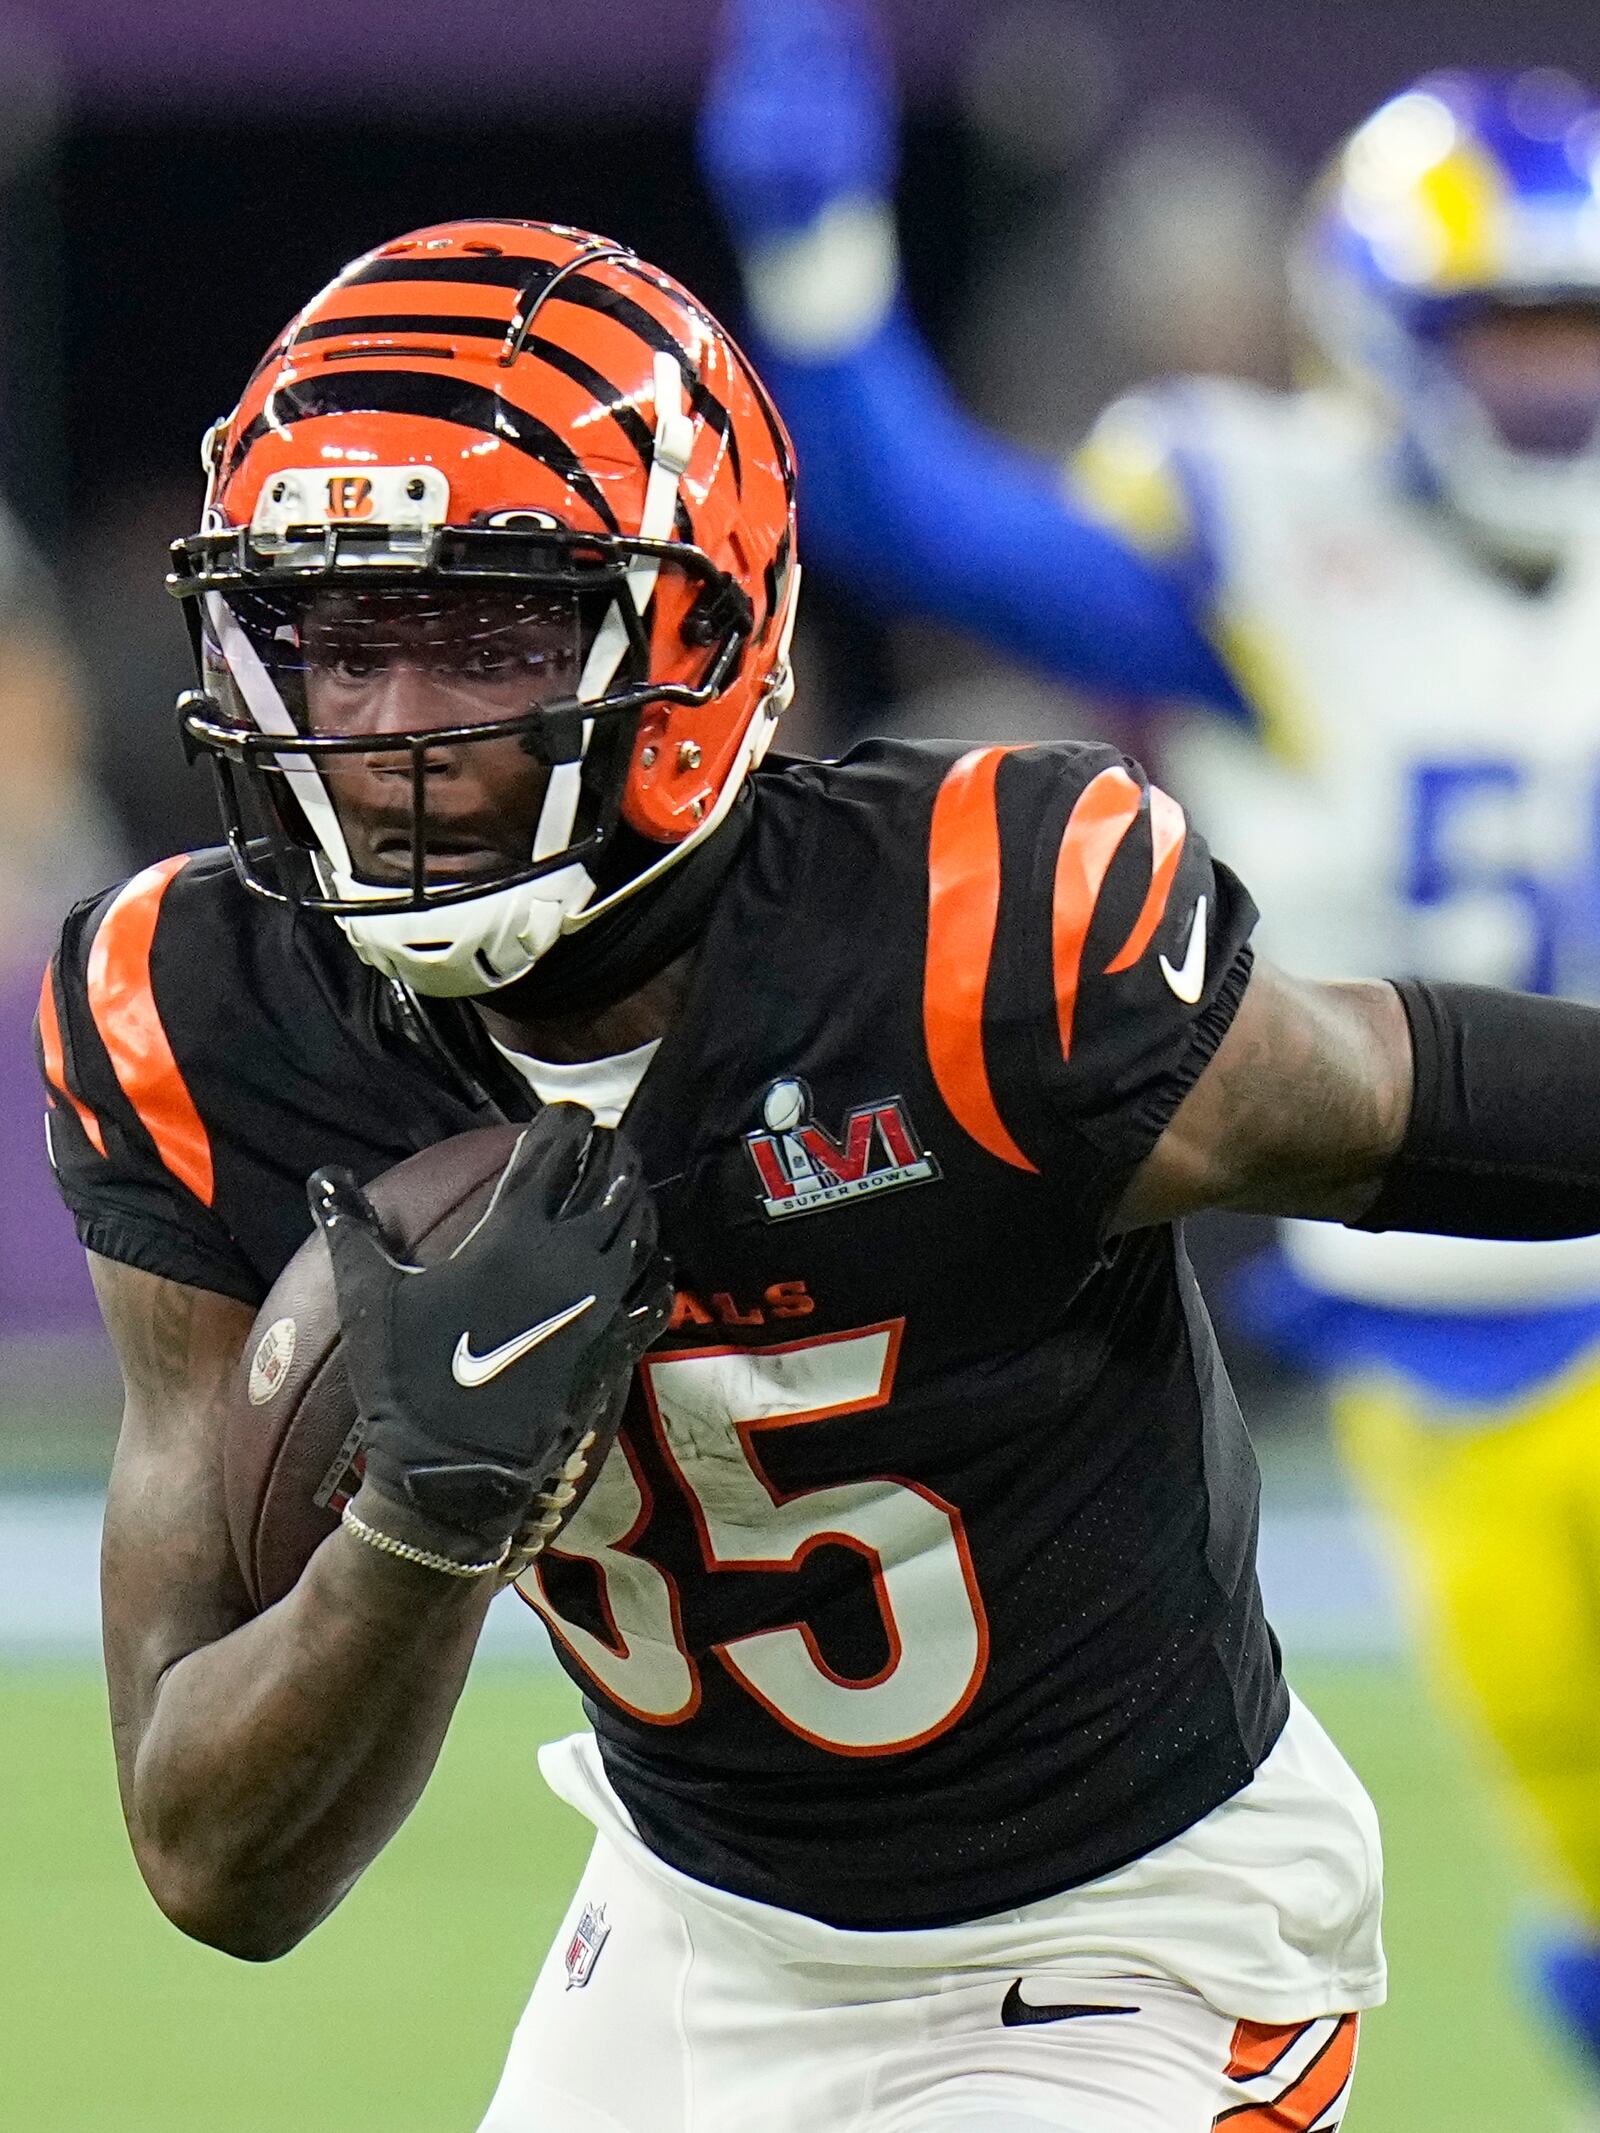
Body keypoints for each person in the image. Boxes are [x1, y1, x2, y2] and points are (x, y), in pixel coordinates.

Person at [39, 215, 1600, 2133]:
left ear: (699, 637)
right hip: (693, 1924)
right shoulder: (198, 1011)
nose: (384, 734)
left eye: (484, 635)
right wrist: (432, 1522)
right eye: (334, 639)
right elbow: (213, 1857)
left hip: (1128, 1941)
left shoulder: (976, 944)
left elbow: (1392, 1092)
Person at [700, 0, 1600, 2071]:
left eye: (1574, 328)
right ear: (1382, 332)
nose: (1547, 379)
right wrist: (818, 241)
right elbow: (912, 507)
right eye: (1503, 331)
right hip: (1439, 1295)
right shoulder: (1256, 528)